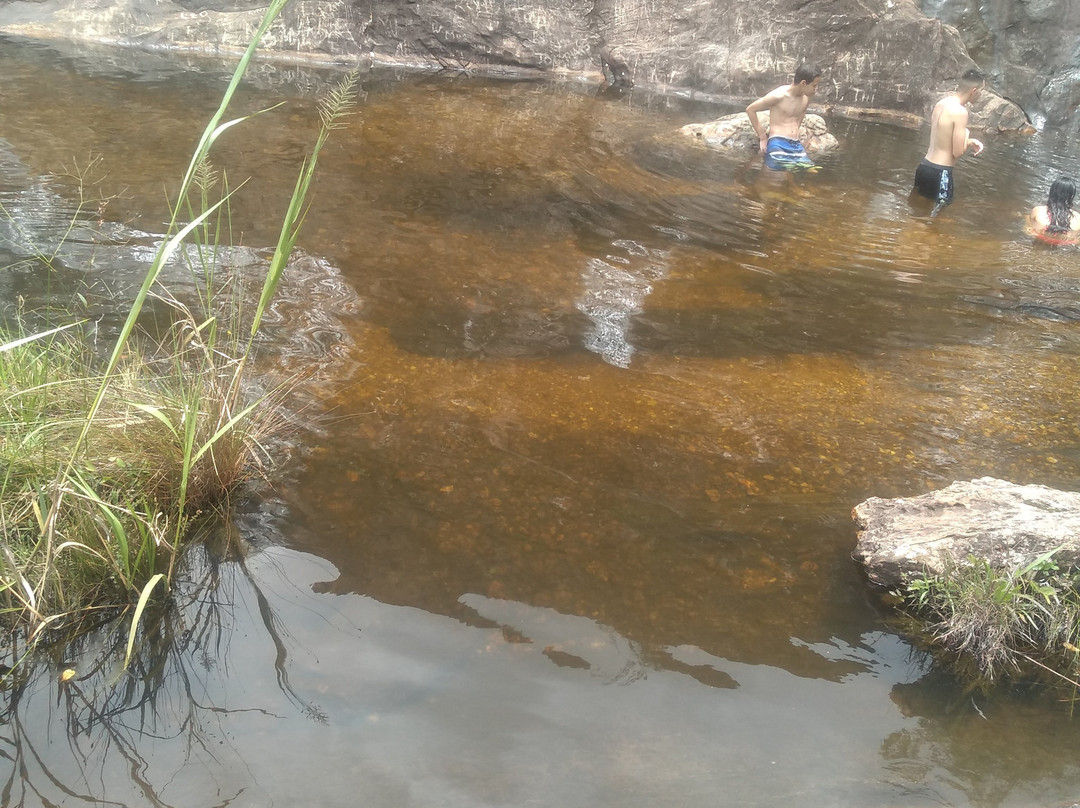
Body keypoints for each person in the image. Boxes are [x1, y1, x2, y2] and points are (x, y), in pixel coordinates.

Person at [912, 68, 986, 215]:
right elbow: (957, 152)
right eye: (982, 91)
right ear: (974, 90)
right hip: (941, 173)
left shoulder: (942, 103)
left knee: (917, 211)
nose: (981, 95)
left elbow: (943, 139)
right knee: (938, 219)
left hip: (924, 168)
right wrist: (967, 133)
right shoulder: (960, 112)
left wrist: (970, 141)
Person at [745, 63, 823, 171]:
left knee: (812, 171)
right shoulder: (779, 95)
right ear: (803, 83)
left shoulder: (807, 96)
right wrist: (762, 137)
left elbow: (802, 111)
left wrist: (795, 132)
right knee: (779, 172)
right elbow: (750, 109)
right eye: (814, 85)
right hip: (778, 143)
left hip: (796, 145)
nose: (816, 89)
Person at [1027, 176, 1080, 242]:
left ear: (1052, 192)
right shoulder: (1078, 218)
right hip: (1064, 245)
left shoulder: (1038, 211)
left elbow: (1028, 229)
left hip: (1040, 240)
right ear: (1071, 196)